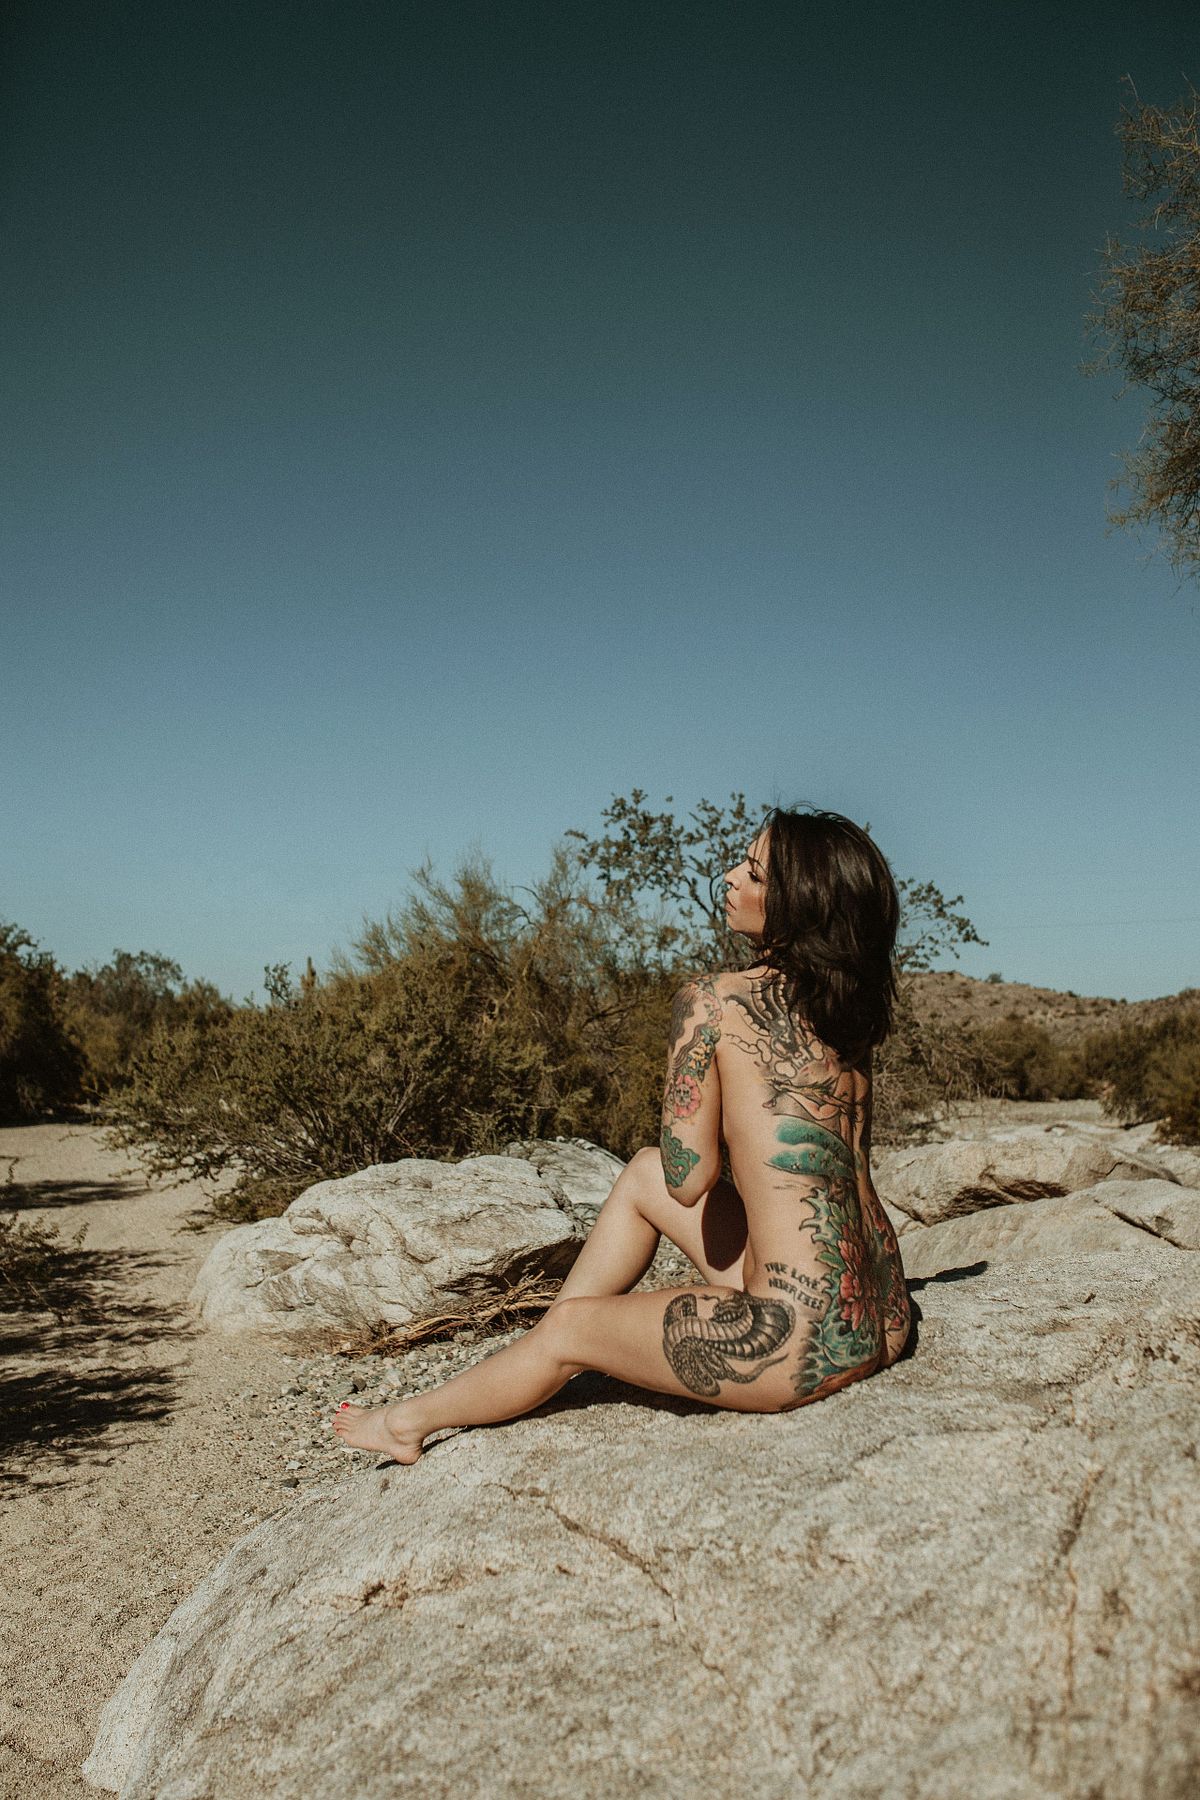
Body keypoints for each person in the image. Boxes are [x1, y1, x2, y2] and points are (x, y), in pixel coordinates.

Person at [333, 806, 911, 1464]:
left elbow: (688, 1179)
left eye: (751, 872)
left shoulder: (714, 999)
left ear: (800, 903)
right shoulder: (849, 1007)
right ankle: (546, 1356)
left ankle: (413, 1422)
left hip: (795, 1346)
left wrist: (693, 1085)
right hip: (882, 1315)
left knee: (578, 1319)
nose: (727, 879)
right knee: (637, 1172)